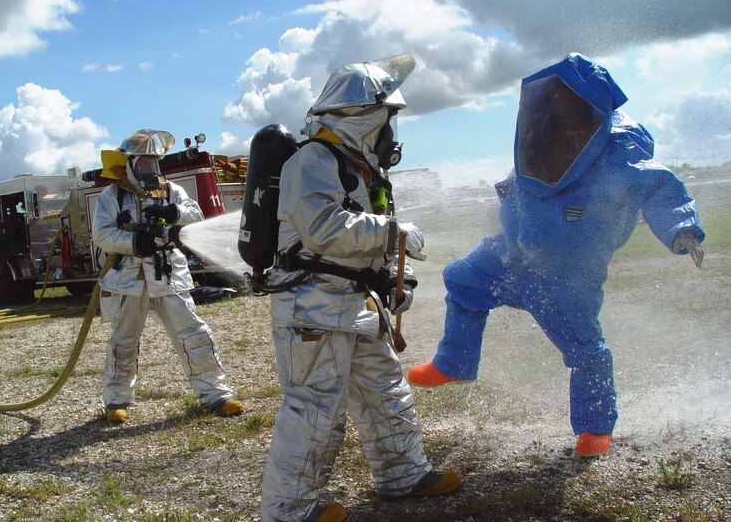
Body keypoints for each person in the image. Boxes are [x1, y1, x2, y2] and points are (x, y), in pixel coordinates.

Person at [408, 53, 705, 457]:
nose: (550, 110)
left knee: (584, 348)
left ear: (586, 106)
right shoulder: (540, 137)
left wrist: (681, 229)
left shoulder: (618, 151)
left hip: (568, 273)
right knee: (463, 278)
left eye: (562, 102)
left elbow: (660, 187)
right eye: (549, 100)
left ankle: (595, 429)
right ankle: (453, 363)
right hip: (512, 255)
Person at [260, 55, 461, 522]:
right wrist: (394, 235)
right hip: (311, 306)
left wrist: (398, 281)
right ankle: (289, 510)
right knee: (315, 408)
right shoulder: (311, 160)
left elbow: (380, 234)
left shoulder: (366, 172)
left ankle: (403, 475)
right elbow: (323, 228)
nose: (392, 130)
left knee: (385, 391)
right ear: (364, 118)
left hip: (355, 304)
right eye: (387, 118)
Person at [92, 129, 244, 424]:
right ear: (129, 165)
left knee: (195, 336)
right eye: (144, 164)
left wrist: (173, 211)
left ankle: (217, 395)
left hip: (168, 275)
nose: (150, 170)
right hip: (129, 280)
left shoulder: (171, 190)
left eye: (153, 163)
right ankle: (116, 401)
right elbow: (102, 233)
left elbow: (195, 216)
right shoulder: (111, 196)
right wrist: (134, 243)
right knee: (123, 342)